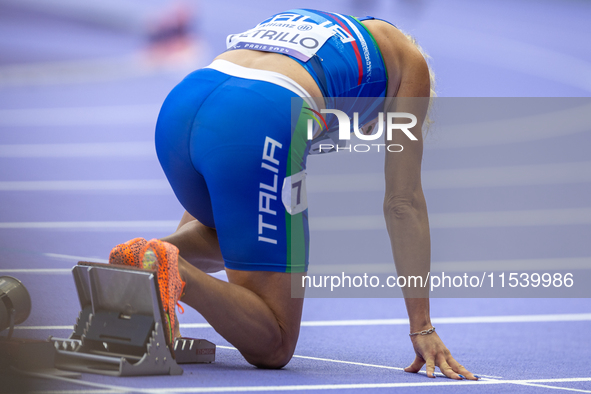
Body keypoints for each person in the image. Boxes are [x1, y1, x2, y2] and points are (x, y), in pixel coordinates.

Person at [109, 9, 478, 380]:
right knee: (276, 343)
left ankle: (144, 264)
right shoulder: (411, 67)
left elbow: (224, 205)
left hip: (184, 104)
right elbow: (404, 202)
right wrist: (422, 326)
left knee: (235, 234)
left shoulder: (327, 29)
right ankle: (169, 269)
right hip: (260, 114)